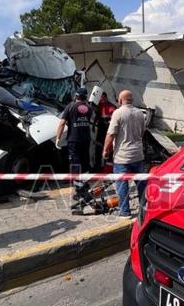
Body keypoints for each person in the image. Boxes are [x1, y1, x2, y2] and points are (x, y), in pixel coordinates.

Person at [103, 90, 147, 218]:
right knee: (141, 185)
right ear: (131, 100)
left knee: (122, 185)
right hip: (138, 155)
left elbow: (111, 134)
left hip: (122, 157)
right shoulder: (140, 113)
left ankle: (125, 212)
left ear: (120, 100)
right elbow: (142, 132)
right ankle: (144, 209)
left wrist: (105, 150)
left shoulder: (118, 113)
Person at [55, 87, 93, 210]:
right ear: (86, 97)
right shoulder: (89, 108)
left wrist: (58, 138)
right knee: (85, 164)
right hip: (86, 140)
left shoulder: (70, 107)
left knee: (76, 164)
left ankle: (79, 191)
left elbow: (62, 123)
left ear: (75, 96)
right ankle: (85, 186)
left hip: (74, 140)